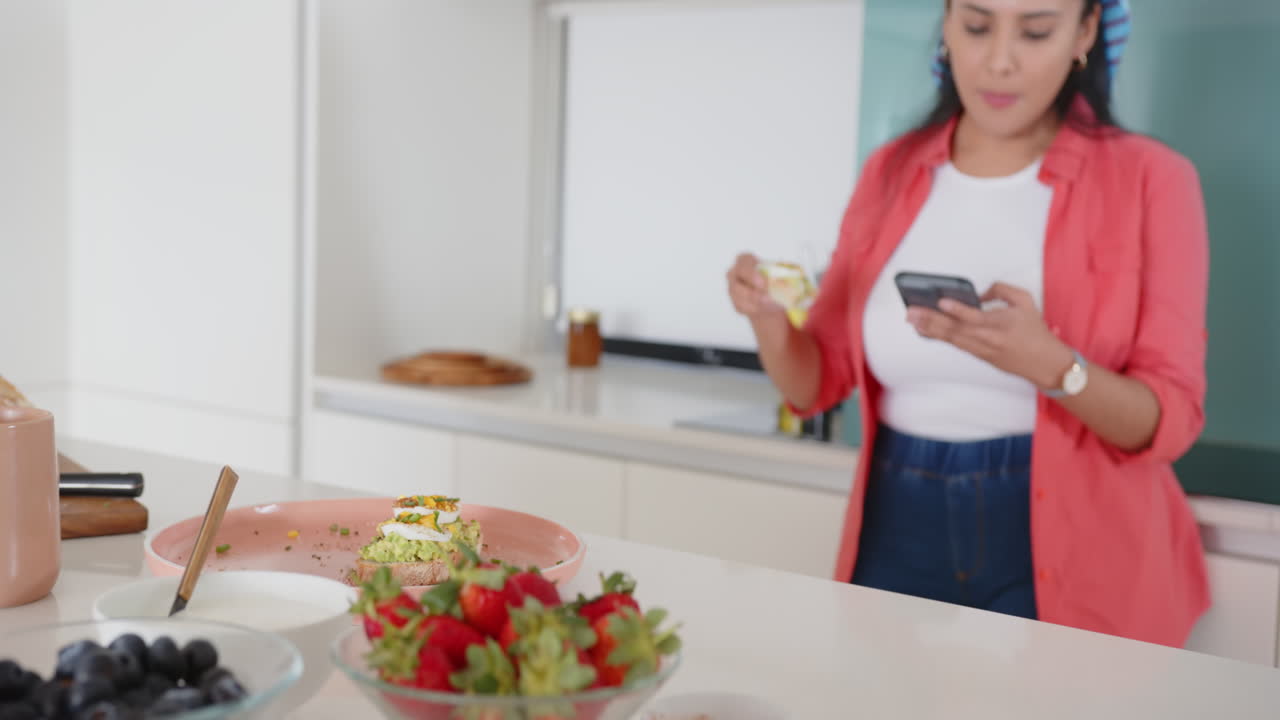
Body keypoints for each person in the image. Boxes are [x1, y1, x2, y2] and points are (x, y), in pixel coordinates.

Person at [727, 0, 1210, 647]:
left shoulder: (1155, 180)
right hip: (896, 518)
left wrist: (1053, 366)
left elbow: (1170, 419)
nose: (1000, 59)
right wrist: (767, 319)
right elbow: (813, 385)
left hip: (1078, 537)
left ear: (1086, 32)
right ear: (948, 26)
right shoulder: (890, 172)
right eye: (978, 25)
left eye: (1036, 30)